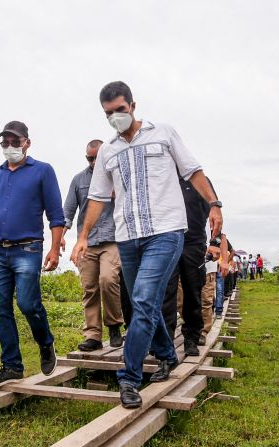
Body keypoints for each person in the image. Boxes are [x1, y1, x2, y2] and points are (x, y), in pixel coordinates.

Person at [70, 81, 223, 409]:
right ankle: (167, 354)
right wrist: (82, 237)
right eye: (108, 113)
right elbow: (97, 197)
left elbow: (193, 171)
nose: (115, 117)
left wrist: (214, 204)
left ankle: (128, 377)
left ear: (133, 106)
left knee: (141, 300)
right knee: (147, 304)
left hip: (166, 232)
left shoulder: (163, 133)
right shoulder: (108, 150)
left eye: (120, 110)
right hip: (127, 237)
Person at [0, 121, 65, 387]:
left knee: (27, 303)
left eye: (15, 141)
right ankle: (11, 366)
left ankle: (45, 343)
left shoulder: (42, 171)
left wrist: (54, 249)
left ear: (27, 143)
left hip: (28, 248)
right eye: (5, 142)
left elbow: (56, 215)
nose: (10, 146)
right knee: (1, 309)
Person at [62, 140, 124, 351]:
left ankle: (114, 325)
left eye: (98, 157)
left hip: (113, 239)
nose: (94, 162)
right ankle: (93, 335)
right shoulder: (79, 180)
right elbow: (68, 212)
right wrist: (61, 236)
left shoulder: (118, 175)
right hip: (87, 241)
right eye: (90, 158)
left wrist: (118, 193)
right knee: (89, 288)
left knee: (108, 279)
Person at [163, 175, 220, 357]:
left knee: (192, 290)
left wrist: (215, 242)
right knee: (167, 292)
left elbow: (215, 216)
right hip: (167, 241)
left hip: (193, 242)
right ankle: (165, 339)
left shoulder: (199, 180)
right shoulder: (164, 177)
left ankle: (192, 337)